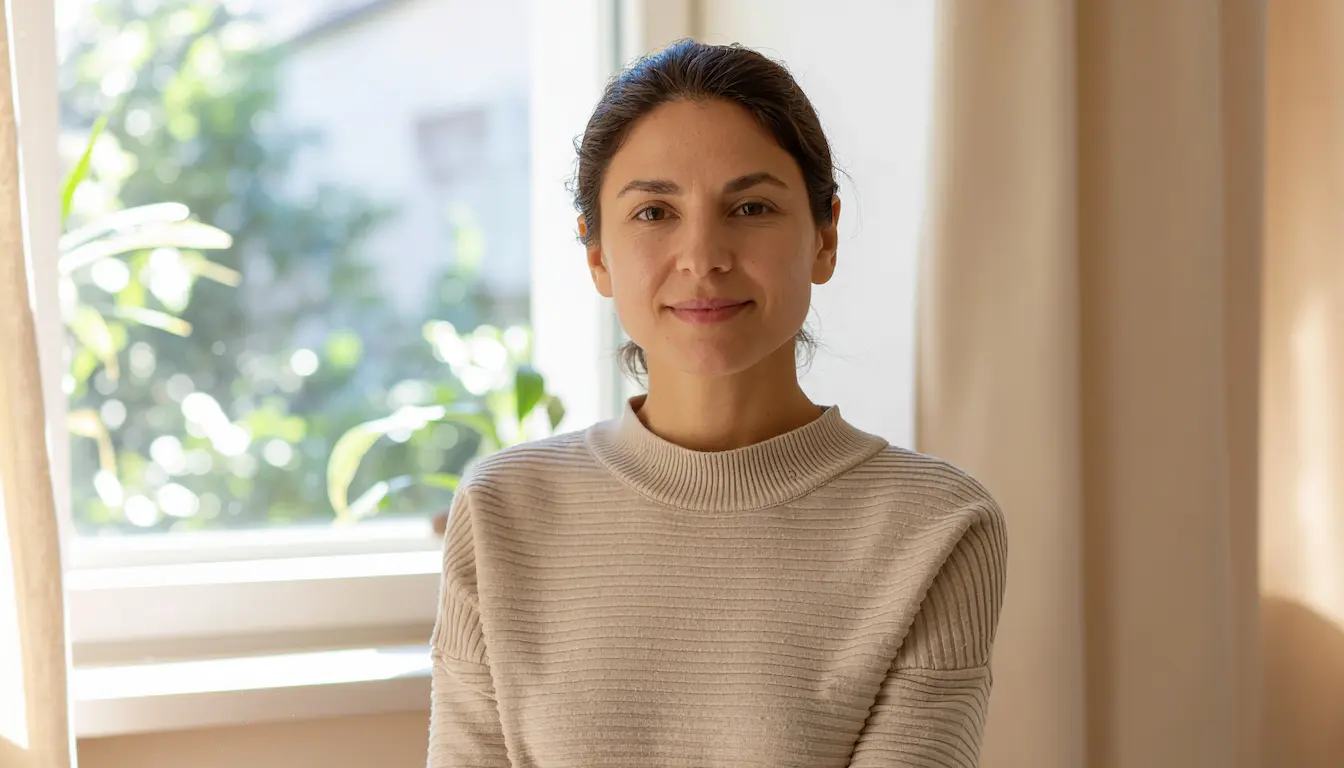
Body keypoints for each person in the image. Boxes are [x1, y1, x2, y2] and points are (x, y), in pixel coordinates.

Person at [427, 40, 1006, 768]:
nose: (703, 256)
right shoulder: (503, 510)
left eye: (751, 206)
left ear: (825, 235)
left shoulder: (937, 525)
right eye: (654, 213)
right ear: (597, 255)